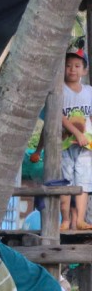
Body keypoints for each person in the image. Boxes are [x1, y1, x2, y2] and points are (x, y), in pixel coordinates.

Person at [60, 46, 92, 230]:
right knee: (65, 180)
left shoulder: (89, 91)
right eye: (68, 65)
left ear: (84, 70)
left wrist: (85, 136)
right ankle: (65, 219)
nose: (72, 69)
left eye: (77, 65)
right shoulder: (60, 91)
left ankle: (79, 219)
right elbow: (59, 115)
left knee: (83, 181)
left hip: (85, 145)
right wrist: (77, 133)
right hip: (64, 144)